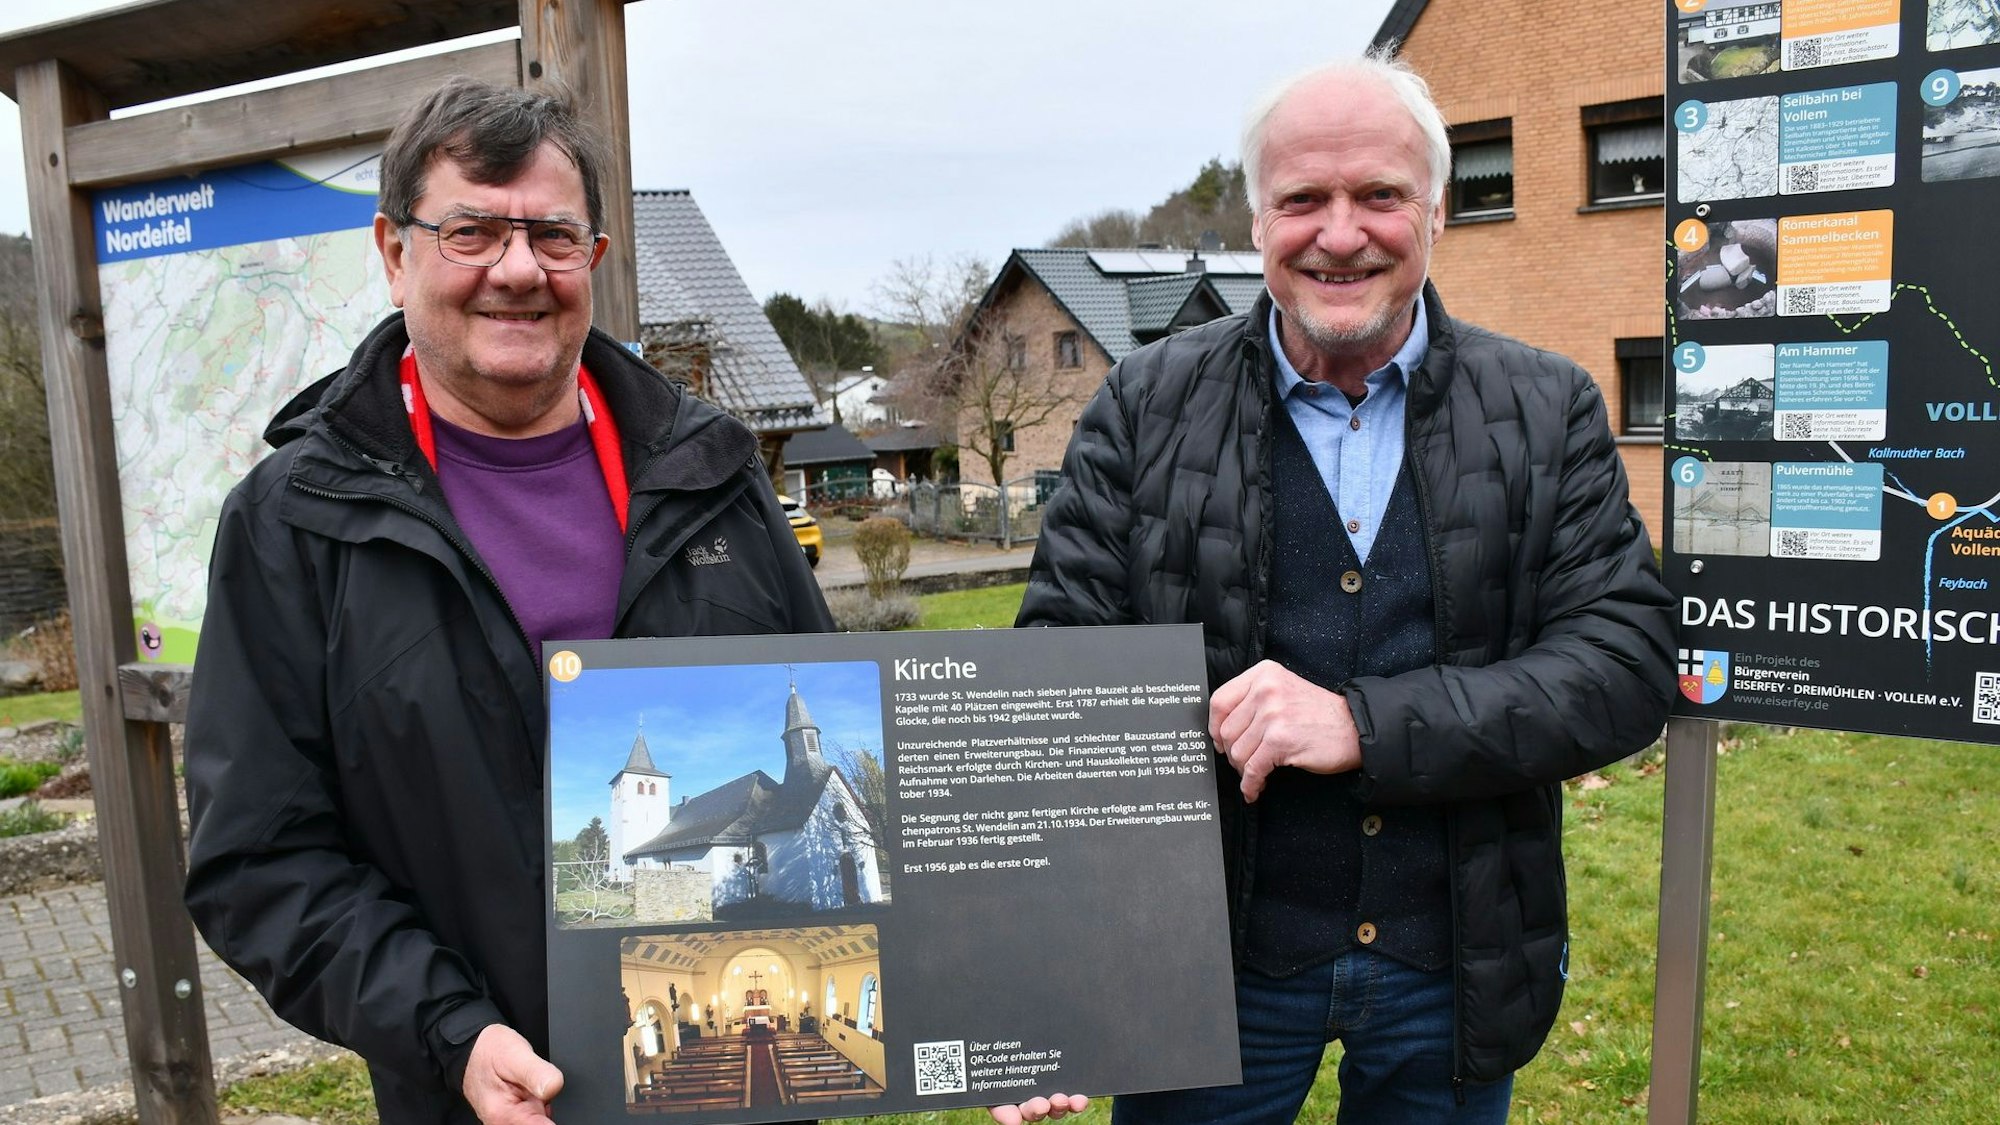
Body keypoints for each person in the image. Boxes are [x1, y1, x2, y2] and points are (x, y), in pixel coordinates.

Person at [1017, 48, 1675, 1123]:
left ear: (1434, 213)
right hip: (1209, 969)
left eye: (1377, 194)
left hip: (1452, 962)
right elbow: (1053, 686)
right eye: (1301, 200)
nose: (1337, 233)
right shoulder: (1144, 403)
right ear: (1254, 221)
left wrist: (1366, 724)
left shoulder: (1541, 405)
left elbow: (1620, 664)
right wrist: (1047, 973)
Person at [182, 78, 833, 1125]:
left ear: (596, 264)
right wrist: (452, 1033)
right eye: (473, 232)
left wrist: (980, 1012)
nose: (519, 270)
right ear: (395, 255)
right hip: (484, 1102)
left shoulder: (713, 473)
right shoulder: (295, 521)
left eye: (553, 237)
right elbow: (258, 859)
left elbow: (834, 734)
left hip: (737, 1094)